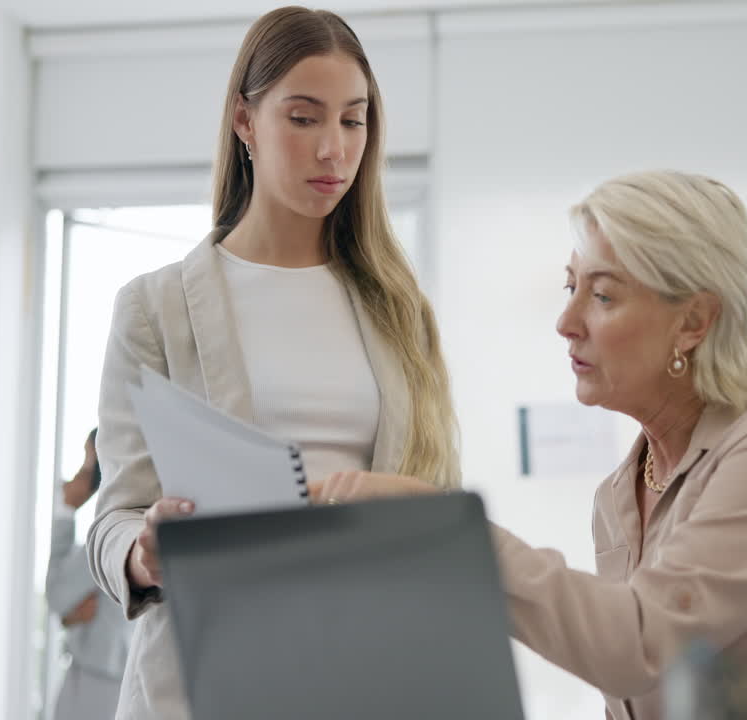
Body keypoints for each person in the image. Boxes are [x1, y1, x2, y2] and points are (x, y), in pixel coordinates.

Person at [312, 170, 747, 719]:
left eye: (603, 294)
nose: (567, 321)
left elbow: (641, 644)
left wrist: (446, 530)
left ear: (693, 322)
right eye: (571, 286)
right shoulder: (618, 496)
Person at [85, 7, 460, 719]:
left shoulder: (401, 310)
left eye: (353, 121)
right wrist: (144, 550)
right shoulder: (155, 308)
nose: (333, 150)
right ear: (245, 121)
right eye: (303, 118)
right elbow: (113, 518)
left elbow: (438, 500)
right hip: (209, 678)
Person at [45, 428, 131, 720]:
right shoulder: (129, 522)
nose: (81, 473)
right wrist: (69, 616)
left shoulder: (108, 534)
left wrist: (65, 511)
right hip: (112, 680)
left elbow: (56, 593)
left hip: (97, 684)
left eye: (87, 461)